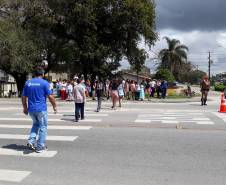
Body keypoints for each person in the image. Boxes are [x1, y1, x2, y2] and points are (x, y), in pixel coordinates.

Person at [22, 67, 57, 153]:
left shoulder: (28, 83)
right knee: (43, 127)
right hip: (41, 109)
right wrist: (54, 106)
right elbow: (50, 96)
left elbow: (23, 97)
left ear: (35, 74)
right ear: (42, 74)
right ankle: (40, 146)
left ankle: (31, 141)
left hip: (31, 109)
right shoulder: (44, 83)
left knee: (35, 125)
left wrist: (25, 108)